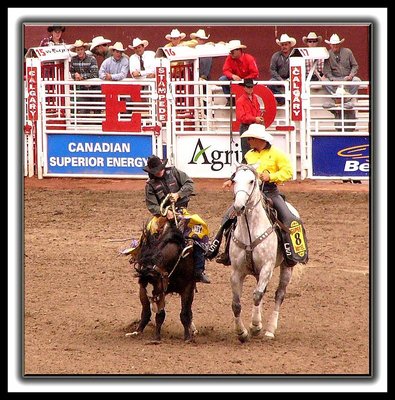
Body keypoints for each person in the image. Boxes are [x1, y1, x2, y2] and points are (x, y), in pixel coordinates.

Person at [206, 124, 308, 267]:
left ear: (259, 139)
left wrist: (271, 176)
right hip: (250, 193)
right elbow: (241, 170)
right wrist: (231, 179)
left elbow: (289, 172)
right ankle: (225, 252)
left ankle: (294, 253)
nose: (248, 142)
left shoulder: (277, 154)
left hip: (270, 192)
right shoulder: (249, 155)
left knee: (290, 219)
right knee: (227, 218)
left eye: (250, 138)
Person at [139, 156, 211, 284]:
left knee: (199, 228)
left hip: (181, 211)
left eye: (160, 169)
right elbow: (152, 205)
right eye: (156, 170)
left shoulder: (174, 172)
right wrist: (165, 212)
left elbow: (189, 184)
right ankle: (146, 266)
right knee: (148, 234)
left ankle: (199, 270)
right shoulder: (150, 185)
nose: (159, 172)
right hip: (161, 216)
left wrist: (178, 194)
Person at [322, 33, 361, 109]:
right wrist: (332, 78)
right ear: (330, 45)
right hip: (335, 78)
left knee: (357, 80)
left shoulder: (348, 52)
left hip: (347, 77)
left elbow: (355, 65)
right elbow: (326, 71)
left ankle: (347, 98)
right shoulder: (328, 54)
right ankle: (336, 99)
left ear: (339, 44)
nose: (335, 46)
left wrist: (351, 75)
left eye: (337, 44)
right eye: (333, 44)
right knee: (325, 82)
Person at [219, 39, 259, 106]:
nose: (230, 53)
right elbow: (225, 70)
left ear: (238, 50)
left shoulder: (249, 59)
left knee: (223, 79)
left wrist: (244, 80)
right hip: (236, 80)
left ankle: (245, 100)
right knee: (222, 79)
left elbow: (255, 73)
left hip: (247, 81)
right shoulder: (229, 58)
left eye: (232, 51)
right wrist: (232, 76)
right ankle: (231, 99)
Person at [235, 78, 265, 157]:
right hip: (246, 127)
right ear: (244, 87)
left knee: (256, 150)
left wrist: (258, 117)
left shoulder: (254, 98)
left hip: (253, 126)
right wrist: (256, 119)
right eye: (248, 87)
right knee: (247, 152)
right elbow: (241, 117)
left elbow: (258, 109)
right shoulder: (240, 101)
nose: (250, 89)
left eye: (251, 87)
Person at [69, 39, 99, 115]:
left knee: (97, 110)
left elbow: (95, 74)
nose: (80, 51)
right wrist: (75, 76)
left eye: (81, 49)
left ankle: (97, 125)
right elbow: (71, 72)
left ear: (84, 49)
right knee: (84, 110)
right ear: (76, 51)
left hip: (94, 87)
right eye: (78, 50)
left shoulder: (92, 59)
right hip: (83, 88)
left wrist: (82, 77)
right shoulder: (73, 60)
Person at [268, 33, 296, 106]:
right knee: (270, 84)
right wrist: (280, 80)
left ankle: (293, 102)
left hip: (292, 78)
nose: (284, 46)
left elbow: (297, 70)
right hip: (278, 78)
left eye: (286, 44)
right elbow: (272, 70)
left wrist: (289, 80)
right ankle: (283, 100)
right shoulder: (276, 56)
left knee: (297, 84)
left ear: (289, 45)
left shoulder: (295, 56)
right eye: (282, 45)